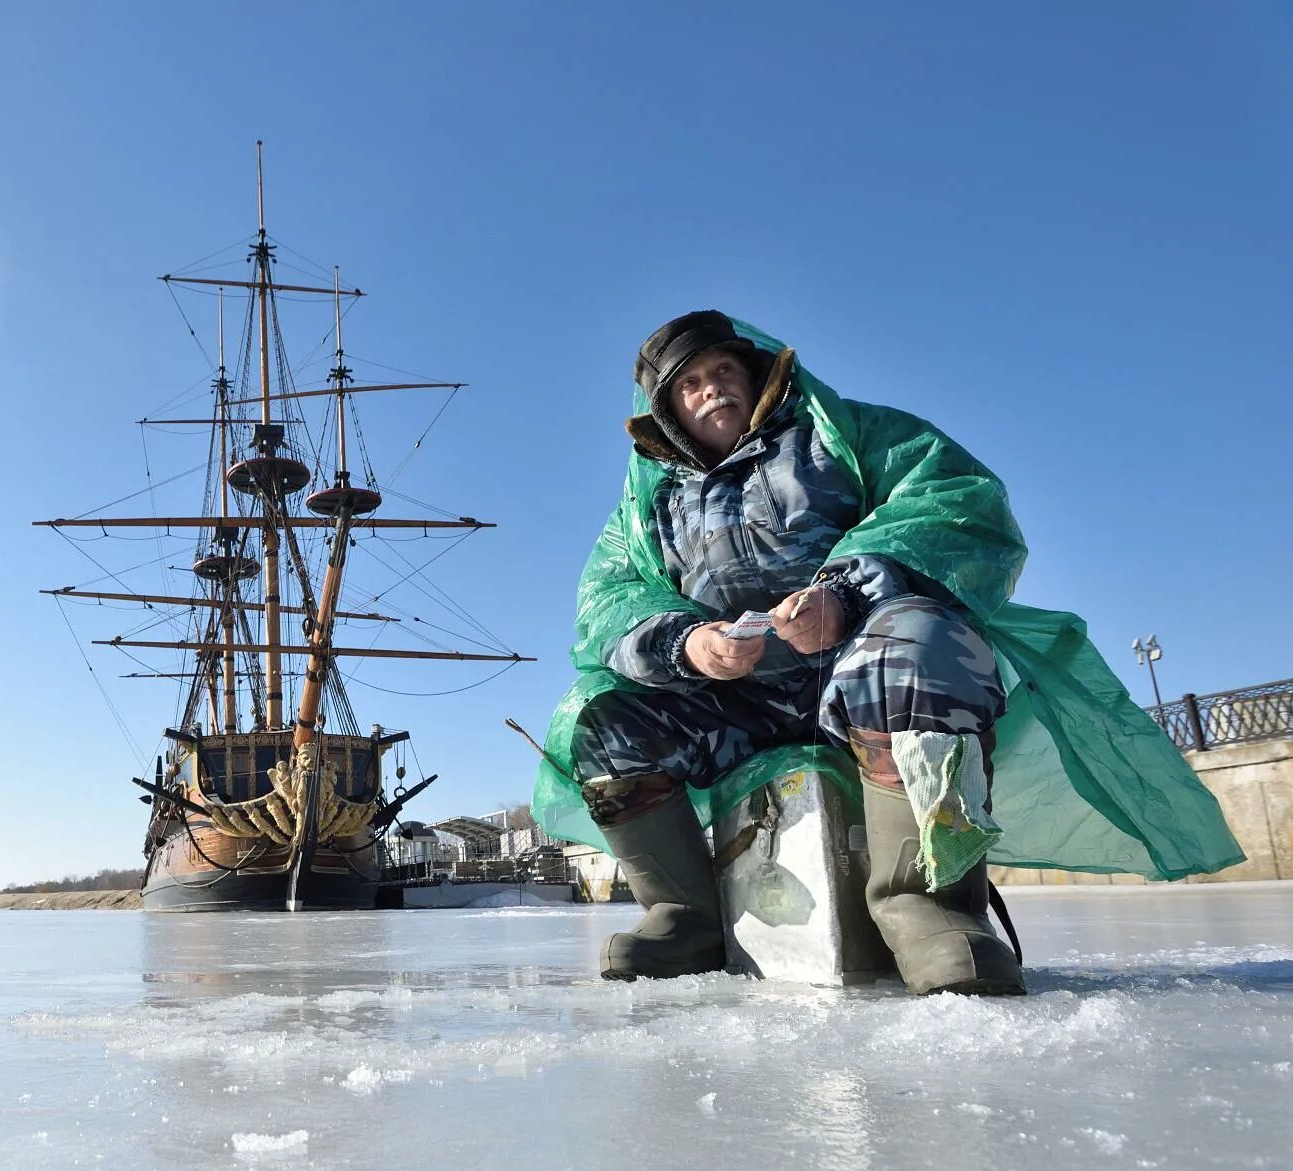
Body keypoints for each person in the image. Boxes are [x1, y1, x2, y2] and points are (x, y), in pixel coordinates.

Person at [531, 310, 1241, 996]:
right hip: (734, 704)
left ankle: (929, 908)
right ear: (668, 412)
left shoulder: (847, 434)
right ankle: (685, 916)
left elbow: (953, 500)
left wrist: (845, 593)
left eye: (723, 369)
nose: (712, 387)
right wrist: (689, 644)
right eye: (690, 383)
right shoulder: (644, 513)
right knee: (600, 719)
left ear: (753, 373)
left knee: (923, 641)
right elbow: (607, 601)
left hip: (860, 670)